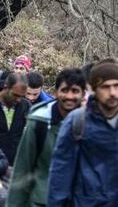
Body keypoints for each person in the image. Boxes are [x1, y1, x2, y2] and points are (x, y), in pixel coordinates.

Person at [8, 68, 86, 207]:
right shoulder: (40, 121)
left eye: (74, 91)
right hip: (42, 201)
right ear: (55, 93)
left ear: (83, 94)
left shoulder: (91, 124)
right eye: (64, 90)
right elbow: (23, 168)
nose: (69, 96)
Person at [48, 60, 118, 206]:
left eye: (116, 86)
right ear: (94, 89)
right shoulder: (77, 121)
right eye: (106, 87)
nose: (112, 93)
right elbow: (60, 175)